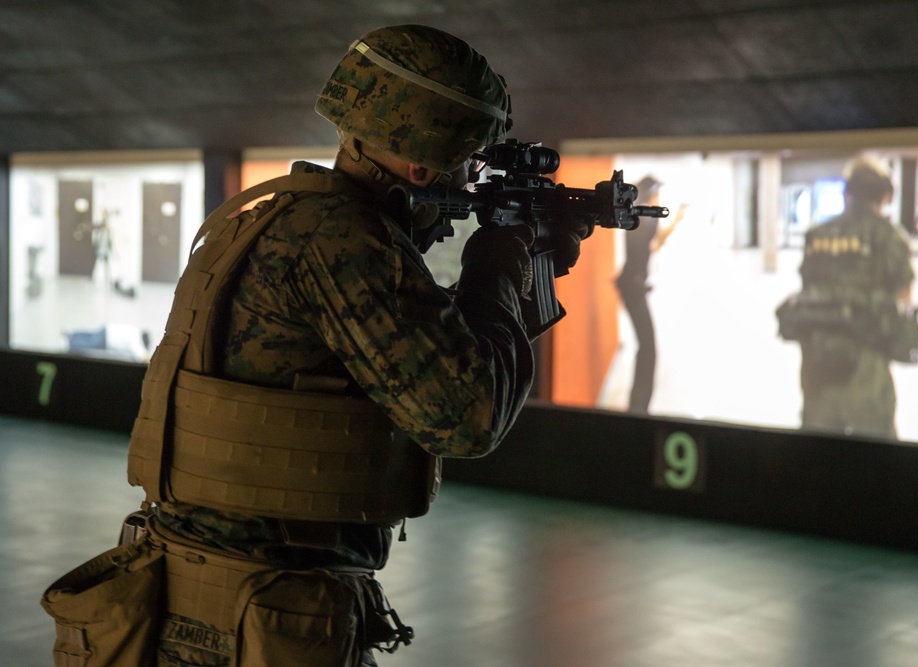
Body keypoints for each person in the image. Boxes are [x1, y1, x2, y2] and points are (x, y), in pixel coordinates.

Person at [42, 25, 586, 667]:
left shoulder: (275, 216)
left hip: (202, 600)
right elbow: (470, 415)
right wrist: (499, 265)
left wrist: (509, 270)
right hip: (258, 620)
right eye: (470, 164)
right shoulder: (345, 244)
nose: (473, 181)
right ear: (421, 166)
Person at [789, 158, 917, 439]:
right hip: (866, 366)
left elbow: (808, 288)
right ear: (884, 197)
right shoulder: (890, 238)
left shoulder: (816, 235)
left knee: (815, 454)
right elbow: (904, 296)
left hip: (818, 364)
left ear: (847, 194)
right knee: (875, 454)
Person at [613, 176, 684, 413]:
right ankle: (639, 407)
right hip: (633, 287)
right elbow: (657, 241)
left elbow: (654, 244)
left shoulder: (638, 217)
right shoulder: (646, 218)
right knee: (648, 348)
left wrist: (677, 220)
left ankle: (639, 404)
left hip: (632, 285)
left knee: (646, 346)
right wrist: (675, 219)